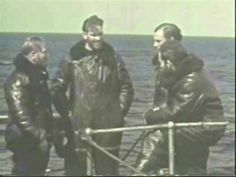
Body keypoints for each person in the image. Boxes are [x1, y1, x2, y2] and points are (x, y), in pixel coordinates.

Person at [135, 23, 226, 175]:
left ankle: (139, 171)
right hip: (188, 122)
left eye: (158, 41)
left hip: (205, 128)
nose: (154, 45)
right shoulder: (177, 70)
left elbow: (177, 111)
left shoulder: (190, 80)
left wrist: (150, 116)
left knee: (159, 136)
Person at [51, 15, 134, 175]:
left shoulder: (113, 58)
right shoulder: (72, 59)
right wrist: (68, 113)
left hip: (108, 124)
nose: (98, 38)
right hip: (79, 123)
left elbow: (126, 87)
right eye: (94, 35)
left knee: (108, 169)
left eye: (100, 34)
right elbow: (57, 89)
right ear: (85, 35)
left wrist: (118, 112)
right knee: (77, 169)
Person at [4, 36, 53, 175]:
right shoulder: (18, 79)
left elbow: (44, 107)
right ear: (33, 54)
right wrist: (39, 137)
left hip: (39, 137)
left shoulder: (38, 76)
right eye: (44, 52)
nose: (47, 55)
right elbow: (21, 115)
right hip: (25, 139)